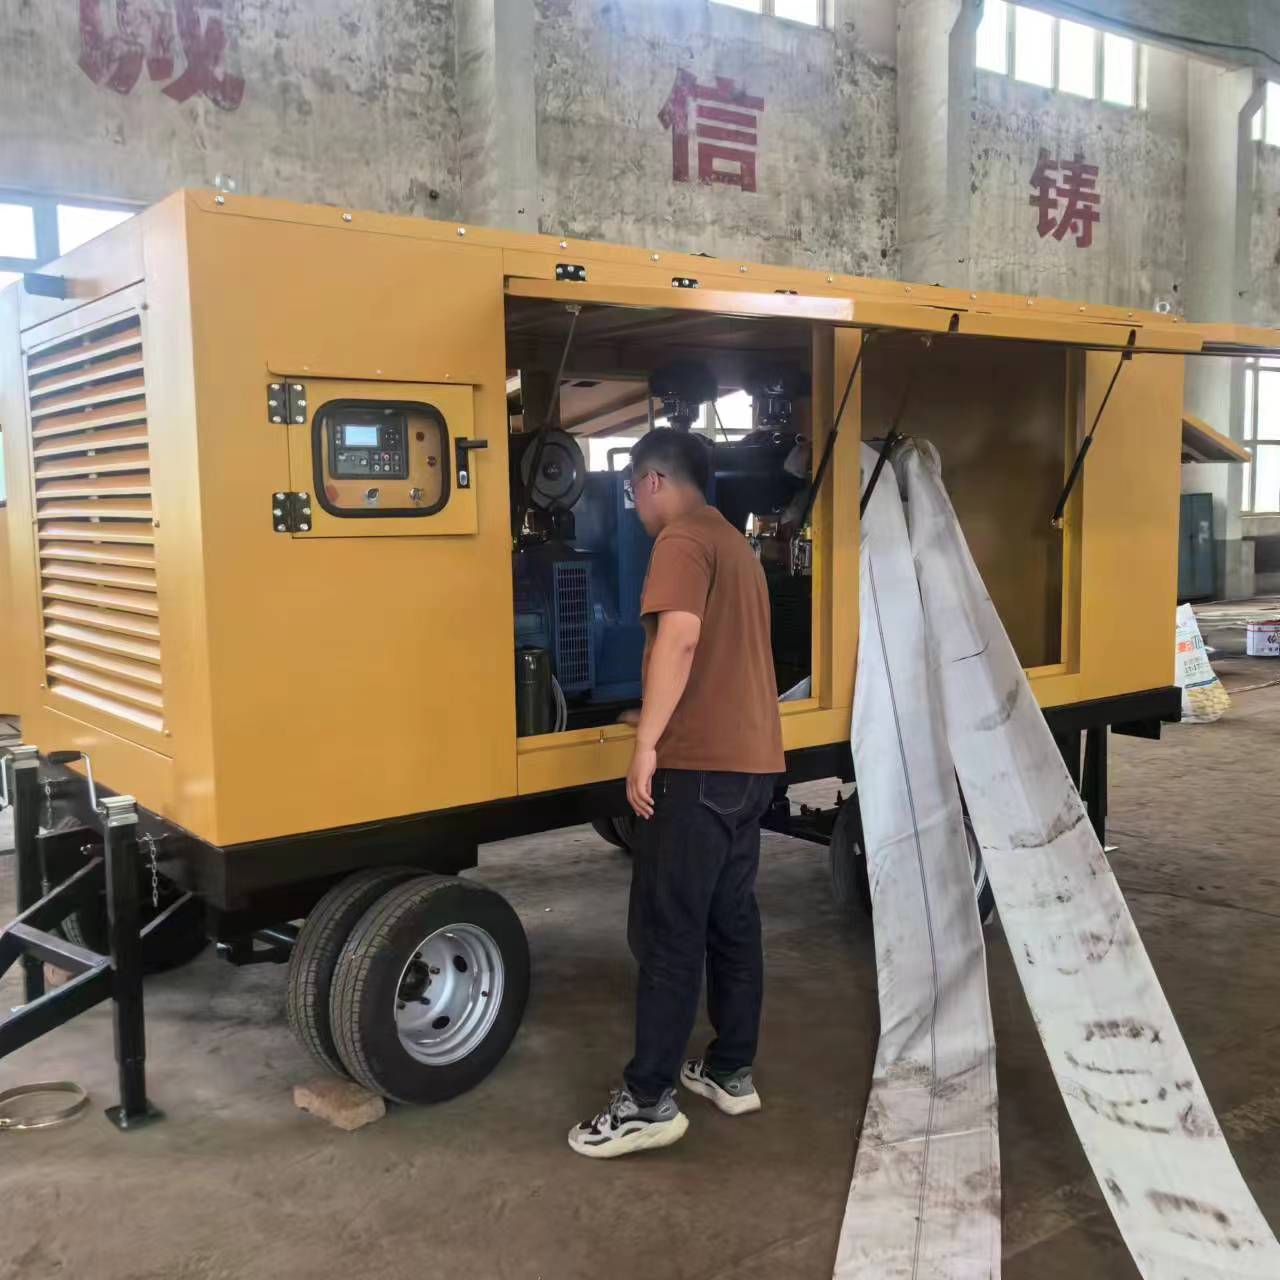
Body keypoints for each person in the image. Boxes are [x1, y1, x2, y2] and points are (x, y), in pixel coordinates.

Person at [568, 427, 785, 1159]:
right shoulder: (733, 543)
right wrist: (653, 715)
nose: (632, 502)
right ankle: (730, 1071)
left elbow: (681, 640)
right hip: (751, 766)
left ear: (654, 480)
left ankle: (647, 1103)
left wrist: (646, 746)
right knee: (732, 922)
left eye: (632, 487)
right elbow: (720, 657)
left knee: (669, 934)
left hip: (697, 772)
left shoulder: (681, 540)